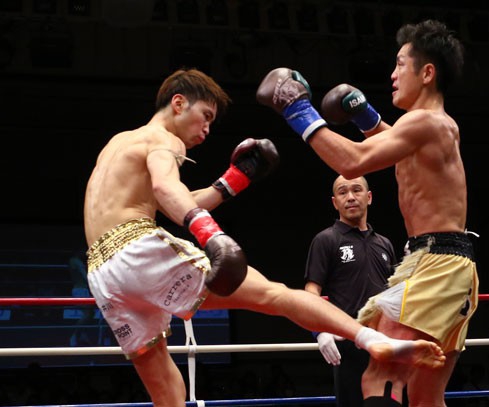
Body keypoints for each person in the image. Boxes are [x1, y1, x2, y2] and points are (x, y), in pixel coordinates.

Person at [83, 68, 446, 407]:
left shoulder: (121, 142)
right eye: (205, 116)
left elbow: (174, 201)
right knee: (276, 295)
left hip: (104, 273)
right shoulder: (165, 140)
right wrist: (211, 234)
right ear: (178, 103)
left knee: (161, 379)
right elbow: (167, 188)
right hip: (136, 247)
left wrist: (234, 180)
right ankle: (373, 340)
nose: (207, 129)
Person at [257, 19, 479, 406]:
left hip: (436, 266)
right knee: (425, 396)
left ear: (427, 73)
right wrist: (364, 116)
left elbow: (354, 162)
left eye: (400, 65)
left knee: (380, 375)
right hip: (449, 264)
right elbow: (397, 150)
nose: (392, 75)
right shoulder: (432, 126)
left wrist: (298, 110)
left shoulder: (424, 121)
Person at [306, 175, 396, 407]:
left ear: (369, 197)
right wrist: (319, 331)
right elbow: (311, 291)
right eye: (343, 192)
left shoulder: (384, 244)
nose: (350, 197)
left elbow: (395, 294)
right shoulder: (326, 240)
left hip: (385, 341)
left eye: (356, 190)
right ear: (335, 202)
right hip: (347, 341)